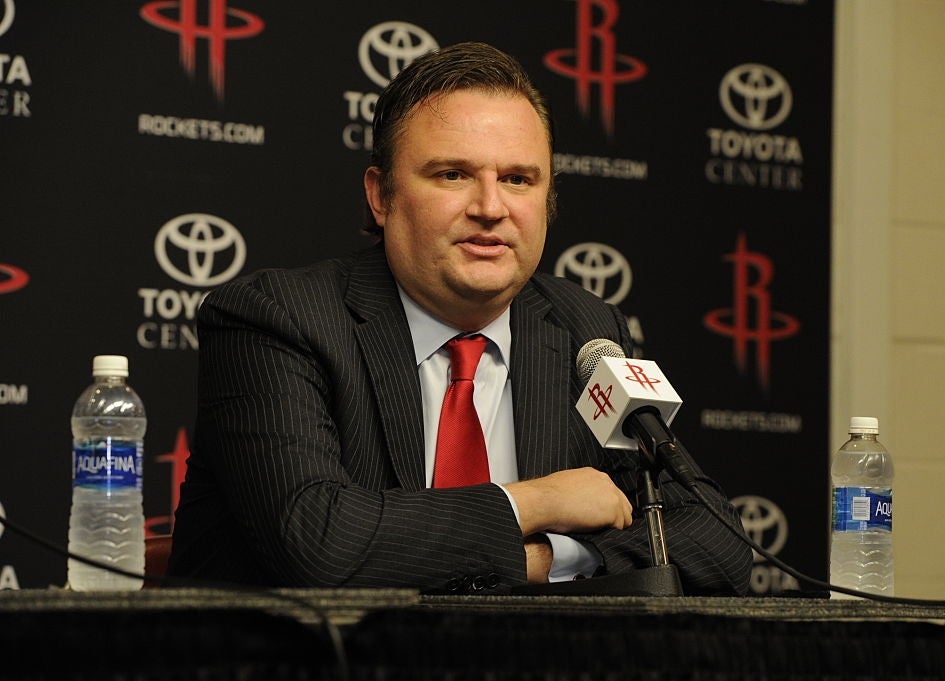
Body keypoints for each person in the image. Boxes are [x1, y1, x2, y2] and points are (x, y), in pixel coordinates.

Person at [167, 41, 753, 595]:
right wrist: (536, 504)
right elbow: (321, 542)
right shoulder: (278, 319)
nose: (491, 208)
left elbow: (716, 539)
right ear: (381, 194)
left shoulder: (581, 326)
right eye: (453, 174)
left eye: (519, 180)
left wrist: (552, 559)